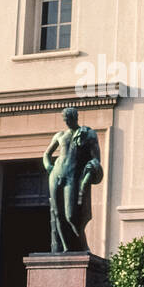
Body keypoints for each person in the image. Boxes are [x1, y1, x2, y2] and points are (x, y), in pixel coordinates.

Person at [42, 106, 103, 252]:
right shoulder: (60, 135)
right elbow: (46, 154)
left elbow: (96, 160)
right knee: (58, 214)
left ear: (75, 118)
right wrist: (49, 167)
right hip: (56, 175)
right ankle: (66, 248)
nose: (67, 122)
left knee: (71, 215)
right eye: (65, 120)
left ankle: (83, 247)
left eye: (69, 119)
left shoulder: (88, 134)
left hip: (72, 176)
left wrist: (87, 176)